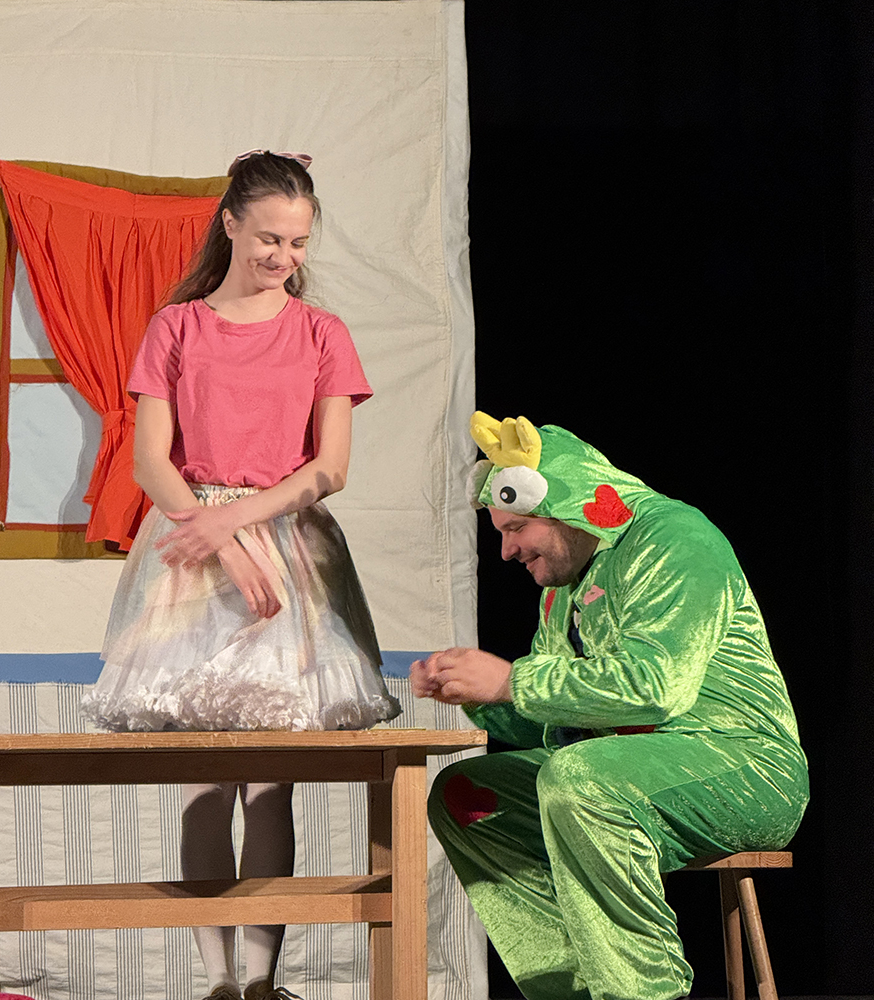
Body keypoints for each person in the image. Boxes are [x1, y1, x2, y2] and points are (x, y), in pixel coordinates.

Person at [82, 150, 400, 1000]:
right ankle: (217, 981)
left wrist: (242, 520)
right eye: (268, 239)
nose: (282, 257)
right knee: (204, 776)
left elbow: (329, 467)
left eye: (297, 243)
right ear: (229, 224)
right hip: (196, 552)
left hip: (290, 549)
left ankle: (261, 982)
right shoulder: (176, 327)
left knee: (271, 780)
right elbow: (152, 461)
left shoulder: (322, 333)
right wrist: (216, 534)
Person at [411, 411, 808, 1000]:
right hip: (609, 769)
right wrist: (475, 694)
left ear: (567, 505)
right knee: (467, 795)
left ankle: (644, 993)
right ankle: (570, 990)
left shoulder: (675, 538)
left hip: (742, 766)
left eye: (516, 528)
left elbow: (656, 686)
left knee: (579, 780)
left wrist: (512, 681)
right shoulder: (563, 587)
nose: (507, 550)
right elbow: (559, 722)